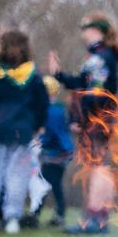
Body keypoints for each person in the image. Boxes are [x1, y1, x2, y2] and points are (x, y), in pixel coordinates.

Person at [48, 10, 118, 234]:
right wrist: (59, 75)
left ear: (97, 30)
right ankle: (99, 219)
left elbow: (95, 93)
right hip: (97, 119)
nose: (83, 34)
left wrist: (81, 118)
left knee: (98, 167)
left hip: (98, 120)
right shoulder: (99, 55)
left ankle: (94, 219)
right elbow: (82, 83)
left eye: (86, 29)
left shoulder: (103, 56)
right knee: (100, 167)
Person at [0, 31, 49, 234]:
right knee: (17, 176)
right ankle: (12, 219)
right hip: (21, 132)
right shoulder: (32, 75)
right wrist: (38, 125)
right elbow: (42, 104)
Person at [36, 76, 74, 226]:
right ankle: (59, 214)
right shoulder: (60, 108)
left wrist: (39, 143)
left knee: (44, 182)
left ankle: (37, 214)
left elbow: (50, 133)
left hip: (56, 153)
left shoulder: (50, 110)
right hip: (63, 152)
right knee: (54, 183)